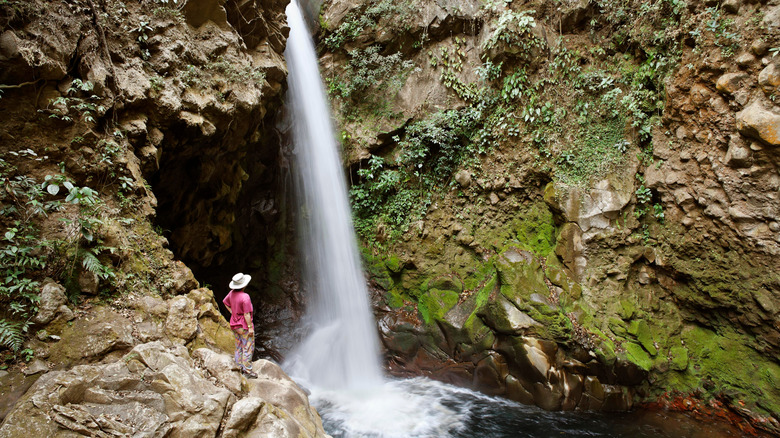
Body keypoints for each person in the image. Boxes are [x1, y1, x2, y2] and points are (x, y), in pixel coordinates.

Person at [223, 273, 258, 378]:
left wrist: (233, 313)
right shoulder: (245, 297)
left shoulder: (231, 293)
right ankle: (247, 371)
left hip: (234, 324)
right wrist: (250, 327)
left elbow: (225, 302)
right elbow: (246, 314)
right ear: (244, 285)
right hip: (244, 326)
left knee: (239, 346)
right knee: (248, 347)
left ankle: (239, 366)